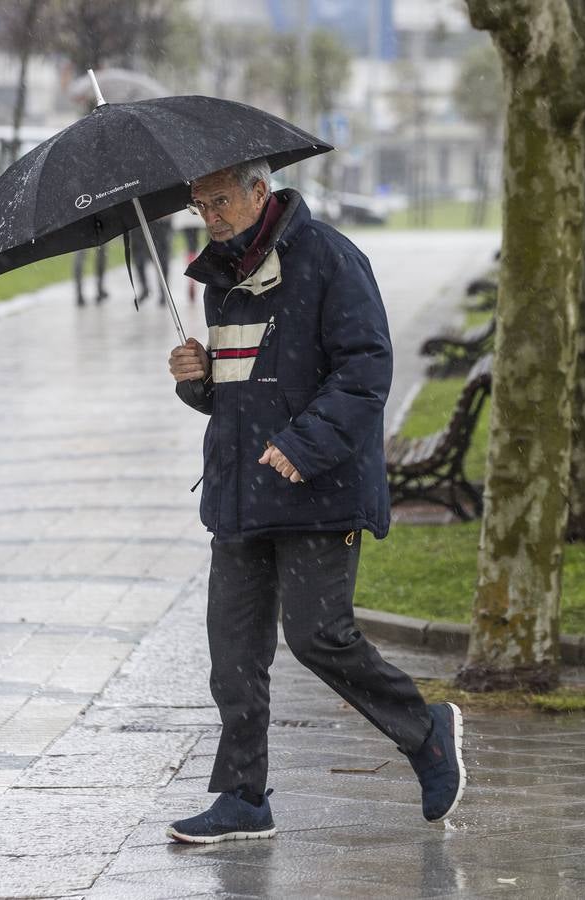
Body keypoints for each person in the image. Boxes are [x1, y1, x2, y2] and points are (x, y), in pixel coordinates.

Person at [164, 159, 467, 844]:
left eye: (218, 201)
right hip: (240, 495)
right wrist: (197, 380)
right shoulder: (221, 279)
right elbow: (238, 394)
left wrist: (304, 445)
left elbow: (366, 370)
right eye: (198, 205)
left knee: (317, 636)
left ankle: (426, 733)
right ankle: (243, 798)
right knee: (233, 655)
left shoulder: (329, 258)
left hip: (319, 490)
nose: (208, 215)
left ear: (258, 191)